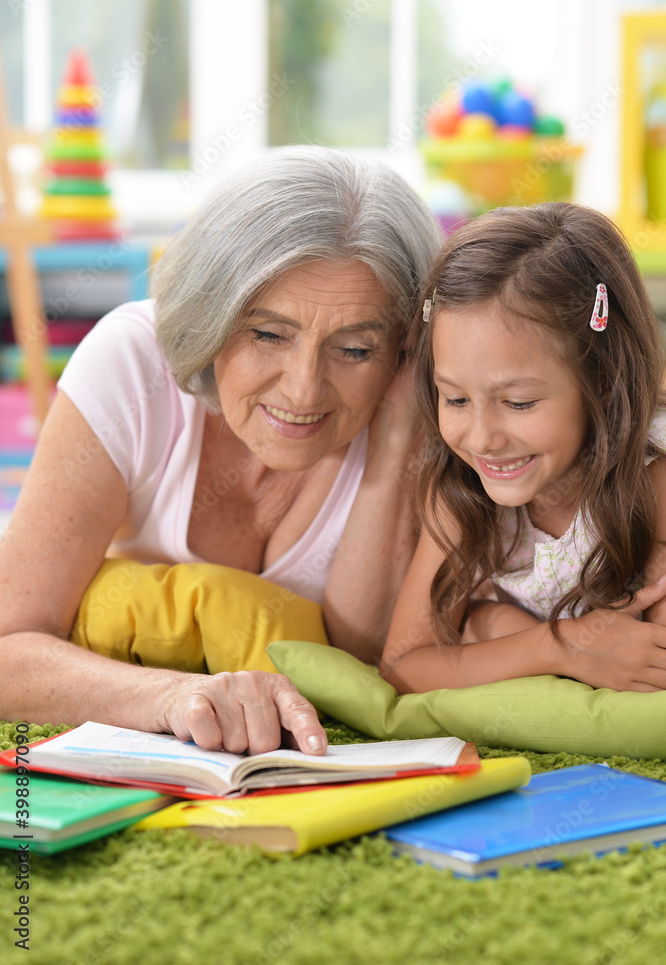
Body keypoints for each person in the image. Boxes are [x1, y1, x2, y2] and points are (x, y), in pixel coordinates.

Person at [0, 146, 441, 751]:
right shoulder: (131, 366)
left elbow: (359, 665)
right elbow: (9, 646)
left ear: (405, 351)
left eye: (356, 349)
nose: (304, 389)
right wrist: (171, 695)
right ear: (210, 312)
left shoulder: (424, 407)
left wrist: (394, 444)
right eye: (267, 334)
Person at [381, 202, 666, 696]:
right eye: (456, 398)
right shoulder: (461, 492)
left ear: (602, 380)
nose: (482, 438)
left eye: (518, 402)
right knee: (481, 621)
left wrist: (488, 631)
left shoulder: (652, 479)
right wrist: (564, 645)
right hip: (570, 644)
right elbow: (404, 664)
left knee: (481, 622)